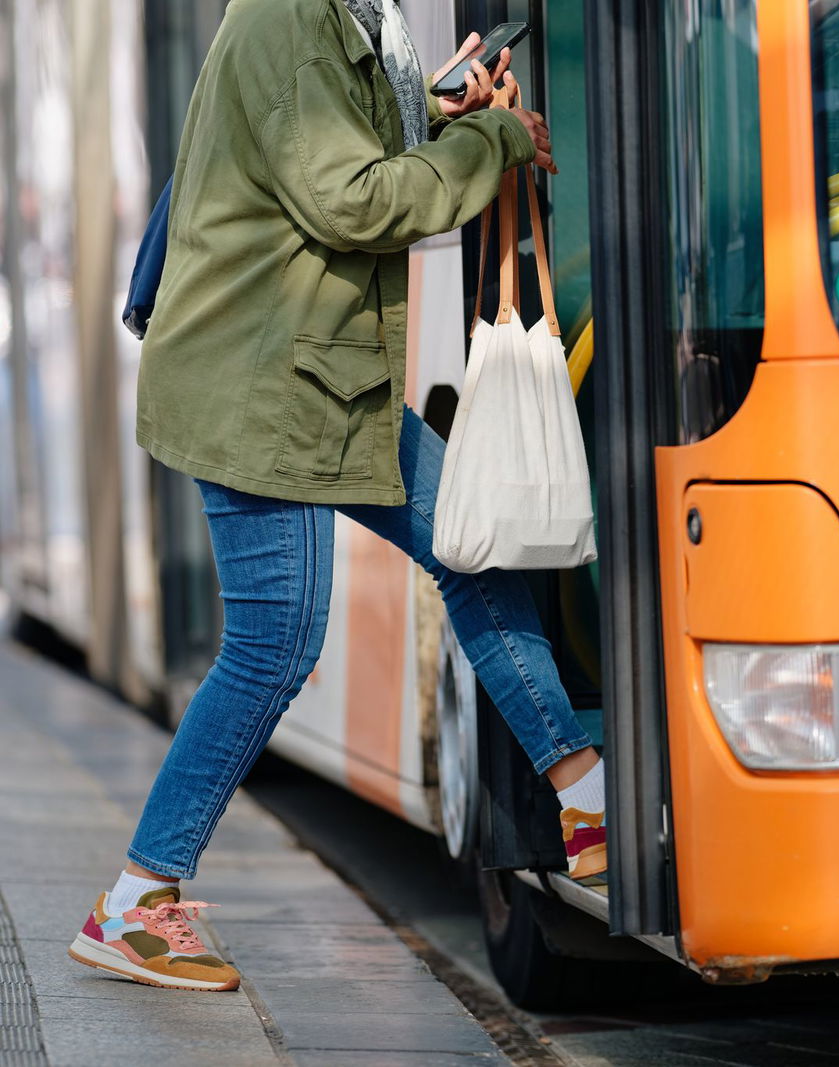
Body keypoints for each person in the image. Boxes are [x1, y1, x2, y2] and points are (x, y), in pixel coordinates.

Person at [64, 0, 604, 993]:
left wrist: (440, 113)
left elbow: (330, 148)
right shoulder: (291, 17)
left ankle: (583, 788)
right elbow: (349, 199)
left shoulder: (352, 16)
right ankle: (139, 899)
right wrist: (489, 138)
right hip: (259, 383)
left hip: (323, 375)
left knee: (464, 539)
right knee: (274, 643)